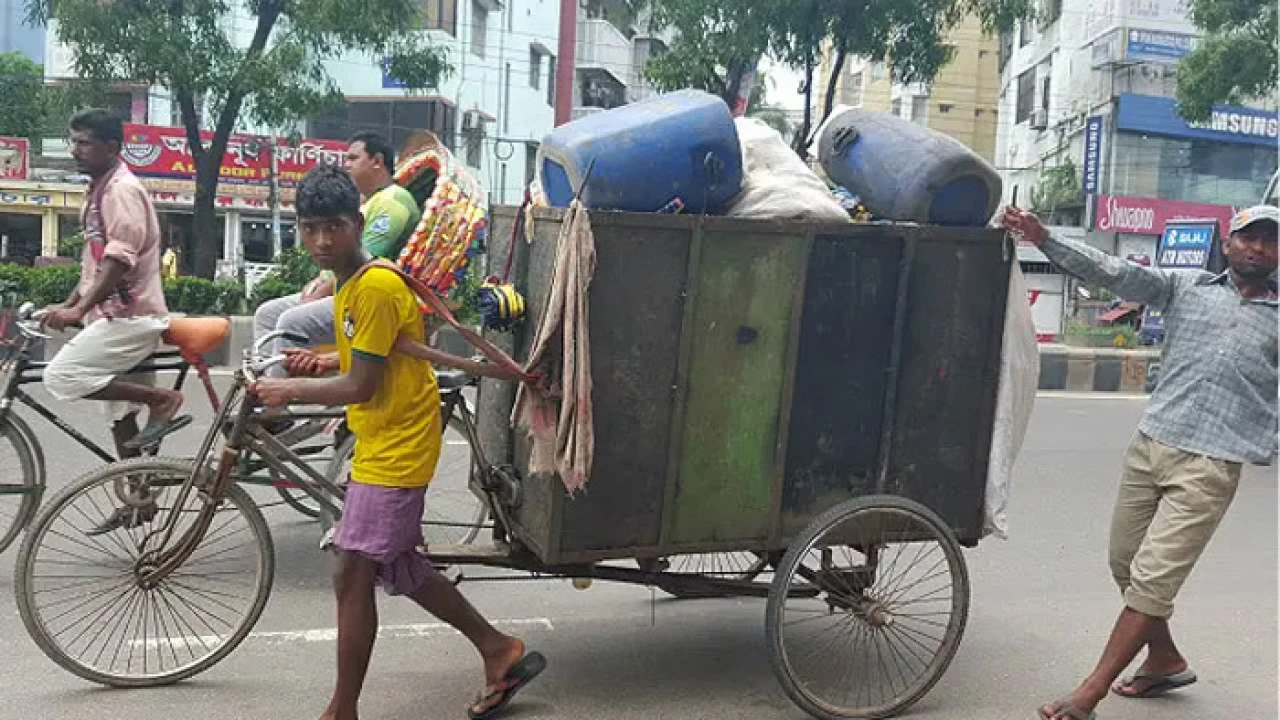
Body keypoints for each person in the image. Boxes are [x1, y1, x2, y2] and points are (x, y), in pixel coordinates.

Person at [251, 165, 545, 720]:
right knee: (398, 567)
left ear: (357, 223)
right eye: (309, 228)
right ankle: (497, 648)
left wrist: (288, 388)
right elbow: (377, 353)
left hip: (399, 446)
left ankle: (342, 709)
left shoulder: (377, 285)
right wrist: (326, 358)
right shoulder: (352, 285)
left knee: (352, 570)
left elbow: (360, 384)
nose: (320, 241)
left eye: (332, 227)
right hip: (378, 440)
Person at [1002, 205, 1277, 720]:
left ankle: (1088, 694)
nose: (1258, 249)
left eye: (1270, 241)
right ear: (1229, 243)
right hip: (1152, 444)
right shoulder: (1187, 287)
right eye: (1249, 238)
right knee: (1125, 564)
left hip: (1212, 463)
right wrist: (1043, 238)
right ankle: (1165, 659)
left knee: (1152, 580)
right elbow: (1114, 273)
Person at [42, 109, 187, 458]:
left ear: (111, 147)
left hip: (131, 319)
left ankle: (162, 400)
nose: (76, 150)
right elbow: (93, 266)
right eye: (73, 142)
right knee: (121, 417)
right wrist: (69, 304)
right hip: (116, 318)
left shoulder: (121, 191)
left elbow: (119, 261)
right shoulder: (98, 192)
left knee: (60, 376)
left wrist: (79, 309)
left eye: (84, 143)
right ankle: (139, 503)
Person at [253, 132, 421, 372]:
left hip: (373, 295)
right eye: (310, 229)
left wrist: (319, 290)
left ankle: (275, 398)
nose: (347, 164)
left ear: (377, 161)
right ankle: (269, 378)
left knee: (291, 320)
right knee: (267, 314)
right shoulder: (370, 200)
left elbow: (364, 256)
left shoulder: (393, 201)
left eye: (353, 158)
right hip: (344, 288)